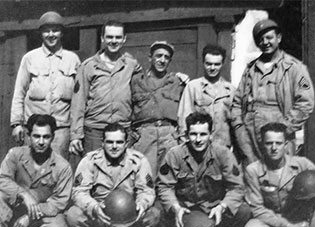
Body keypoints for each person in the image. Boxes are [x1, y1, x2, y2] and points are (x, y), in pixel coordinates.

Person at [157, 112, 251, 227]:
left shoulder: (223, 154)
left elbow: (236, 187)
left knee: (243, 210)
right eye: (193, 134)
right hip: (186, 209)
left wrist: (223, 206)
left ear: (211, 134)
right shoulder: (175, 154)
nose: (198, 139)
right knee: (162, 209)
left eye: (203, 134)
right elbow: (164, 187)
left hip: (214, 207)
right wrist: (175, 207)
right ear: (186, 134)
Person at [0, 114, 73, 227]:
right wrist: (23, 193)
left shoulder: (62, 166)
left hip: (44, 214)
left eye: (46, 137)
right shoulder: (15, 154)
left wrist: (29, 216)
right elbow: (0, 180)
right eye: (36, 136)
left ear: (52, 138)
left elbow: (59, 202)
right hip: (17, 209)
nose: (40, 142)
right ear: (29, 136)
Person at [66, 122, 159, 227]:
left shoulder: (138, 160)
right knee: (73, 214)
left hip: (127, 216)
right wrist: (94, 207)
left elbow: (147, 191)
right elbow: (79, 192)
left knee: (153, 214)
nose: (114, 146)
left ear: (126, 143)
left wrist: (141, 204)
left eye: (119, 142)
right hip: (99, 215)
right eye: (109, 142)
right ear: (102, 143)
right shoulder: (90, 160)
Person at [231, 19, 314, 166]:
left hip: (280, 136)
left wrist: (284, 128)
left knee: (280, 177)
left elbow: (305, 103)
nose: (265, 42)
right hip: (250, 135)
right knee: (252, 176)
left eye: (269, 37)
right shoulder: (251, 69)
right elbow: (237, 103)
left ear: (279, 38)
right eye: (261, 39)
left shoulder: (294, 68)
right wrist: (239, 130)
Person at [10, 11, 80, 160]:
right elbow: (19, 93)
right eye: (46, 31)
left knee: (57, 171)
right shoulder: (30, 58)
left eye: (55, 30)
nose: (51, 34)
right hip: (34, 129)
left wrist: (76, 134)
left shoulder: (72, 59)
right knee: (30, 171)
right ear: (41, 33)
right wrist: (16, 124)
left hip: (61, 131)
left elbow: (78, 101)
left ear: (62, 33)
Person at [70, 21, 140, 156]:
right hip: (95, 131)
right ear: (102, 38)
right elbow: (78, 102)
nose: (114, 41)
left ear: (124, 39)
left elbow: (144, 87)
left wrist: (177, 77)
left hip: (122, 130)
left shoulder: (131, 65)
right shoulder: (88, 66)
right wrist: (76, 135)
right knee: (94, 171)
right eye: (109, 37)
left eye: (118, 37)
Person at [131, 41, 189, 180]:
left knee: (169, 179)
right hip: (145, 134)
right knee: (144, 178)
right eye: (158, 56)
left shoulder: (177, 82)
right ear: (150, 58)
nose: (162, 60)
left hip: (168, 135)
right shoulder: (136, 81)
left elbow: (185, 111)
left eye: (166, 57)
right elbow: (126, 108)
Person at [178, 44, 235, 147]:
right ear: (203, 63)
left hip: (223, 147)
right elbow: (183, 120)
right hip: (199, 147)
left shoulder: (231, 90)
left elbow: (235, 122)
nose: (212, 68)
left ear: (223, 64)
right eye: (208, 64)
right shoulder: (193, 87)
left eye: (217, 64)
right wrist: (185, 147)